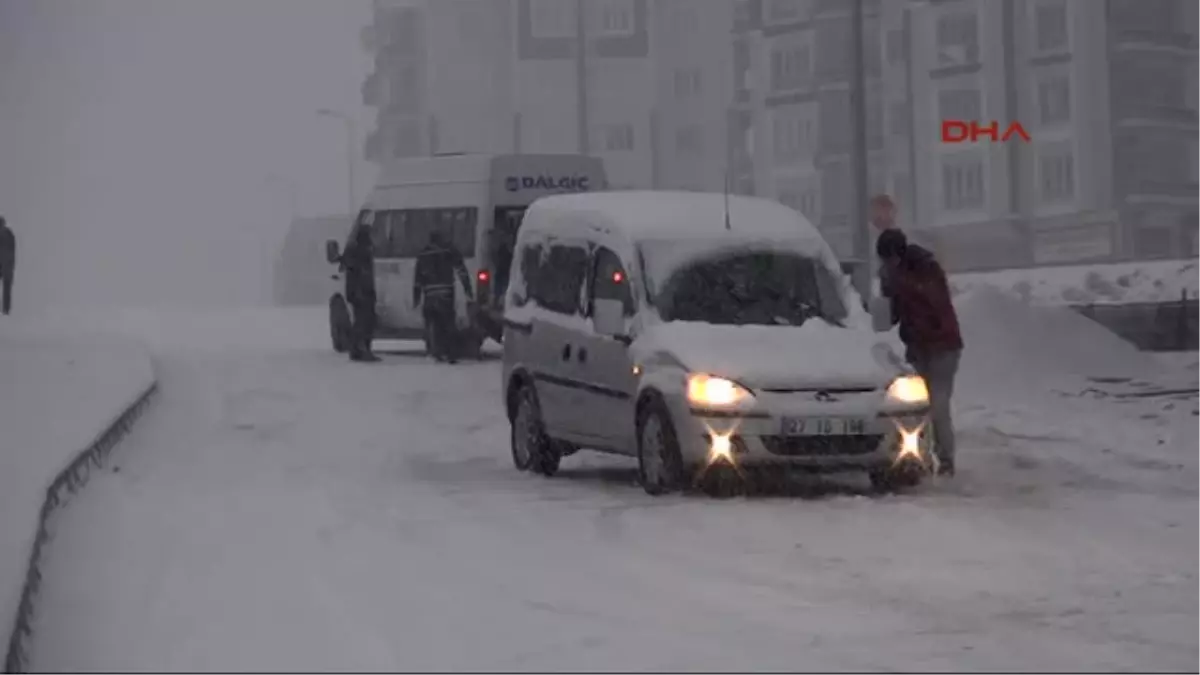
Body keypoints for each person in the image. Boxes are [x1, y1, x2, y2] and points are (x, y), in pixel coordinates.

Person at [876, 228, 964, 477]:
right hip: (918, 346)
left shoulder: (926, 268)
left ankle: (946, 460)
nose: (886, 264)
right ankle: (919, 454)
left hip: (943, 346)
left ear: (897, 254)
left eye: (888, 259)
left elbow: (931, 301)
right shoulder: (899, 275)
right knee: (918, 407)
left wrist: (898, 283)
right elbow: (892, 316)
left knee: (938, 404)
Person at [413, 230, 472, 364]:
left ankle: (435, 351)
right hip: (446, 293)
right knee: (448, 323)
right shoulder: (449, 251)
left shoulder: (423, 253)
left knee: (433, 323)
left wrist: (416, 297)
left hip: (429, 294)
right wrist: (468, 289)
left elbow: (417, 278)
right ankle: (451, 353)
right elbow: (461, 270)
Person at [341, 225, 381, 363]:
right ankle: (361, 349)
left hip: (362, 291)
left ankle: (359, 349)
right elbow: (357, 273)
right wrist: (361, 292)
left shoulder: (358, 250)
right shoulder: (358, 251)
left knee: (365, 321)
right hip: (361, 292)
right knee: (363, 322)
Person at [0, 216, 14, 315]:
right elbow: (13, 251)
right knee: (7, 289)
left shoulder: (7, 234)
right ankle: (6, 310)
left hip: (5, 264)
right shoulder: (9, 234)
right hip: (7, 265)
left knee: (7, 288)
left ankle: (6, 310)